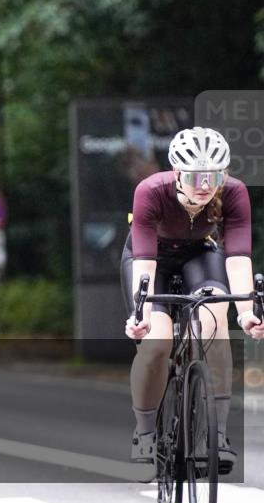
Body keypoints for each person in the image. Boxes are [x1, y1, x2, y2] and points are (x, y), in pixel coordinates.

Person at [122, 127, 264, 471]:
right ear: (176, 173)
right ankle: (145, 434)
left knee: (215, 322)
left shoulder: (233, 193)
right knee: (157, 344)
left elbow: (238, 257)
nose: (205, 185)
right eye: (195, 176)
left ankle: (216, 435)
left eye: (213, 175)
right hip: (149, 258)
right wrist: (140, 314)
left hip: (201, 256)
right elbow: (143, 260)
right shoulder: (151, 191)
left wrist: (246, 314)